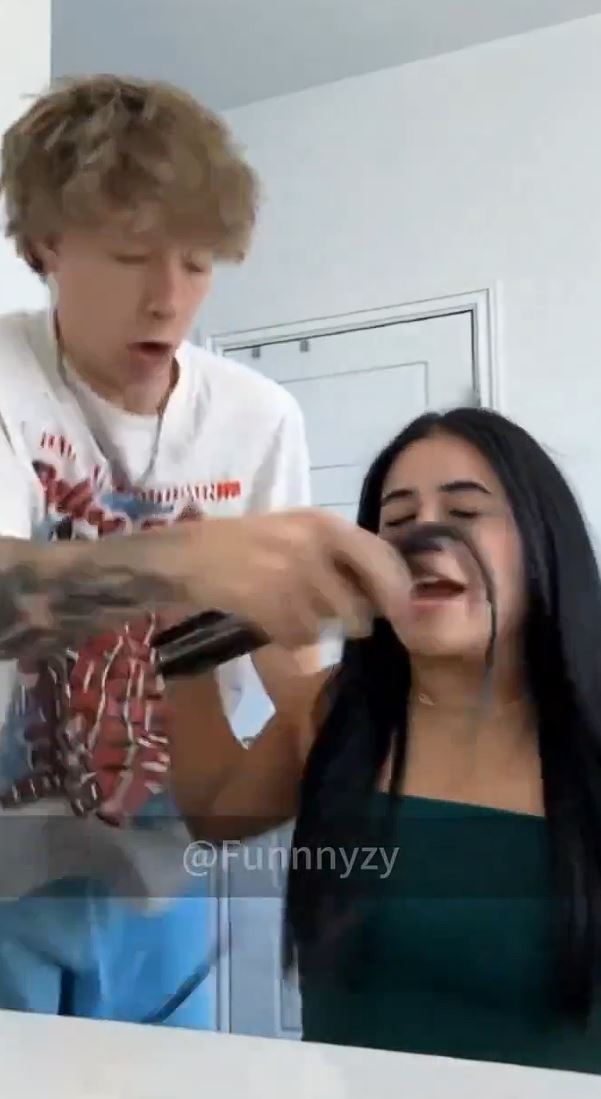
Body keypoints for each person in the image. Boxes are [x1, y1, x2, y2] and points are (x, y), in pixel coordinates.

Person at [0, 73, 408, 1026]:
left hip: (165, 885)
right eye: (131, 256)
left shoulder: (260, 419)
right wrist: (184, 561)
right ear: (47, 245)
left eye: (197, 262)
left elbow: (291, 680)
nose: (169, 300)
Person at [168, 406, 601, 1074]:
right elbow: (213, 813)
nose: (422, 537)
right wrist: (183, 632)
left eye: (464, 511)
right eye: (395, 522)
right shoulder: (331, 712)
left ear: (543, 538)